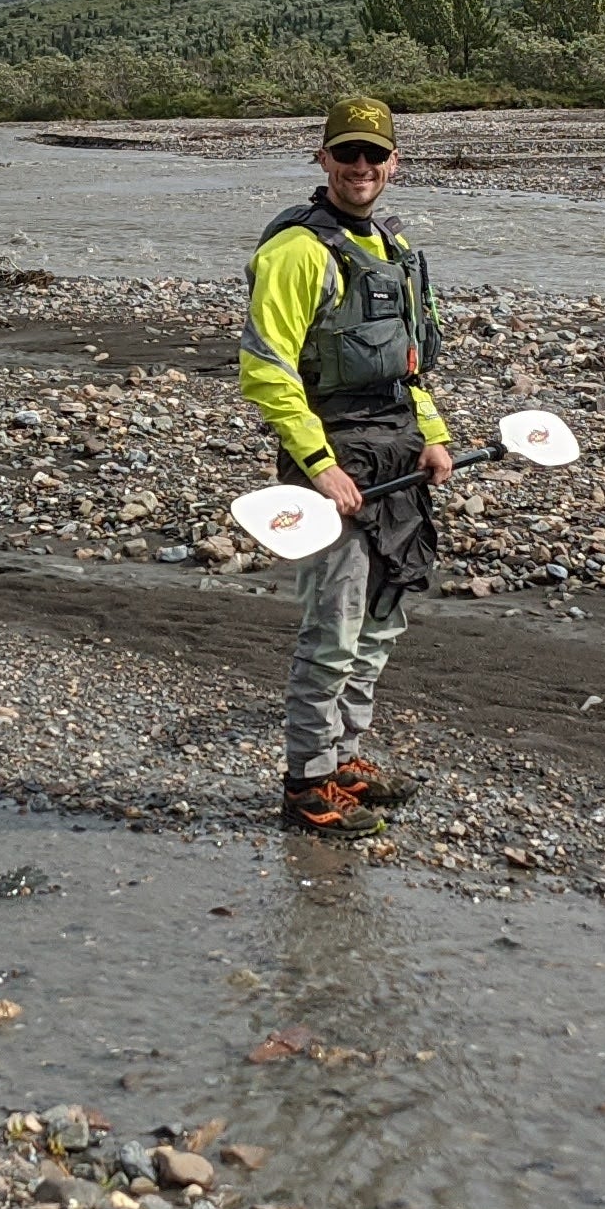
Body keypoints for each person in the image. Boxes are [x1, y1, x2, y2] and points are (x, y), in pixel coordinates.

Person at [239, 97, 453, 832]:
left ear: (393, 163)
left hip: (396, 454)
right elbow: (266, 369)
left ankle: (346, 758)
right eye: (347, 154)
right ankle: (307, 782)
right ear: (322, 159)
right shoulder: (297, 252)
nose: (361, 168)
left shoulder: (392, 250)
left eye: (374, 155)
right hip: (331, 459)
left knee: (384, 620)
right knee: (334, 626)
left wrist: (434, 436)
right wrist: (318, 465)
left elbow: (409, 371)